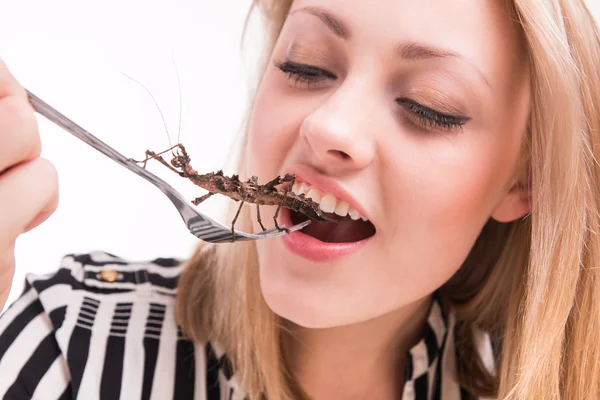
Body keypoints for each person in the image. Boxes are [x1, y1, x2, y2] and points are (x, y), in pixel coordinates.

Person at [1, 0, 600, 398]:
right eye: (306, 66)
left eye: (429, 106)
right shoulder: (65, 343)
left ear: (526, 179)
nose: (328, 126)